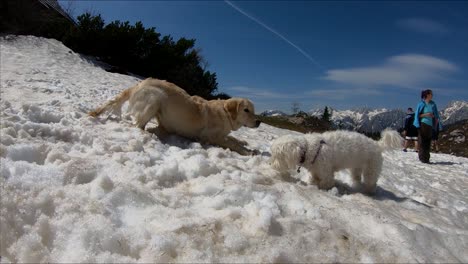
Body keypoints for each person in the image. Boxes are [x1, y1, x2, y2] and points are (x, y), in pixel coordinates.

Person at [413, 89, 442, 163]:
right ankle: (422, 157)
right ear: (427, 95)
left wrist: (436, 123)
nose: (432, 95)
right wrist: (427, 114)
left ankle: (427, 158)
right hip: (423, 124)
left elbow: (436, 115)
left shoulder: (433, 104)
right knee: (422, 141)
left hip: (430, 125)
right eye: (431, 94)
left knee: (428, 141)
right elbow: (418, 115)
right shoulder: (421, 104)